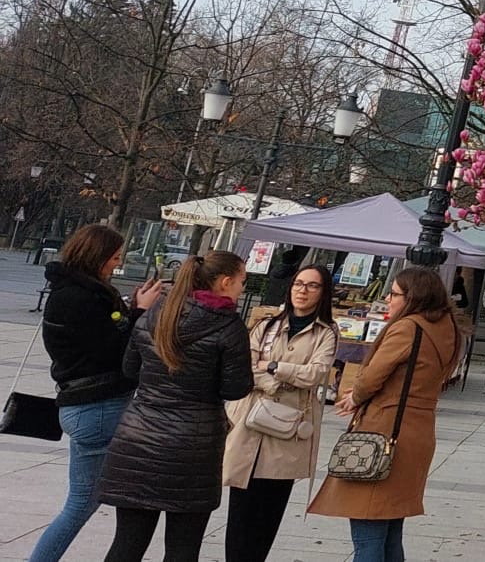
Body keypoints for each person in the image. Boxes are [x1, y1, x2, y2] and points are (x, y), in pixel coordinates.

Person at [95, 250, 253, 562]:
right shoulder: (228, 326)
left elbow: (130, 369)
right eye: (242, 282)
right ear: (224, 282)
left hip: (138, 438)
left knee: (127, 542)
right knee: (183, 548)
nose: (242, 289)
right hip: (193, 446)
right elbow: (235, 388)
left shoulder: (157, 313)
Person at [25, 225, 163, 562]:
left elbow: (99, 338)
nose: (117, 263)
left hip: (86, 405)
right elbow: (114, 351)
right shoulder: (79, 297)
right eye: (114, 257)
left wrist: (129, 308)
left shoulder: (76, 290)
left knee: (84, 500)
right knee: (81, 504)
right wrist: (141, 312)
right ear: (96, 256)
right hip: (97, 406)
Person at [308, 266, 462, 562]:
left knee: (368, 529)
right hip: (418, 430)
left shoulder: (408, 327)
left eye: (394, 294)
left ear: (413, 297)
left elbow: (373, 376)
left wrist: (354, 396)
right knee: (390, 529)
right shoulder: (447, 328)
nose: (388, 299)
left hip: (385, 431)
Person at [220, 265, 340, 562]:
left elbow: (316, 373)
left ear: (323, 293)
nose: (302, 290)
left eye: (312, 286)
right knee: (240, 509)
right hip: (250, 423)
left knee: (269, 510)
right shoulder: (267, 324)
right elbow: (246, 365)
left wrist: (272, 366)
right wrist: (274, 382)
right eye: (298, 284)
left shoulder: (327, 332)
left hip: (288, 428)